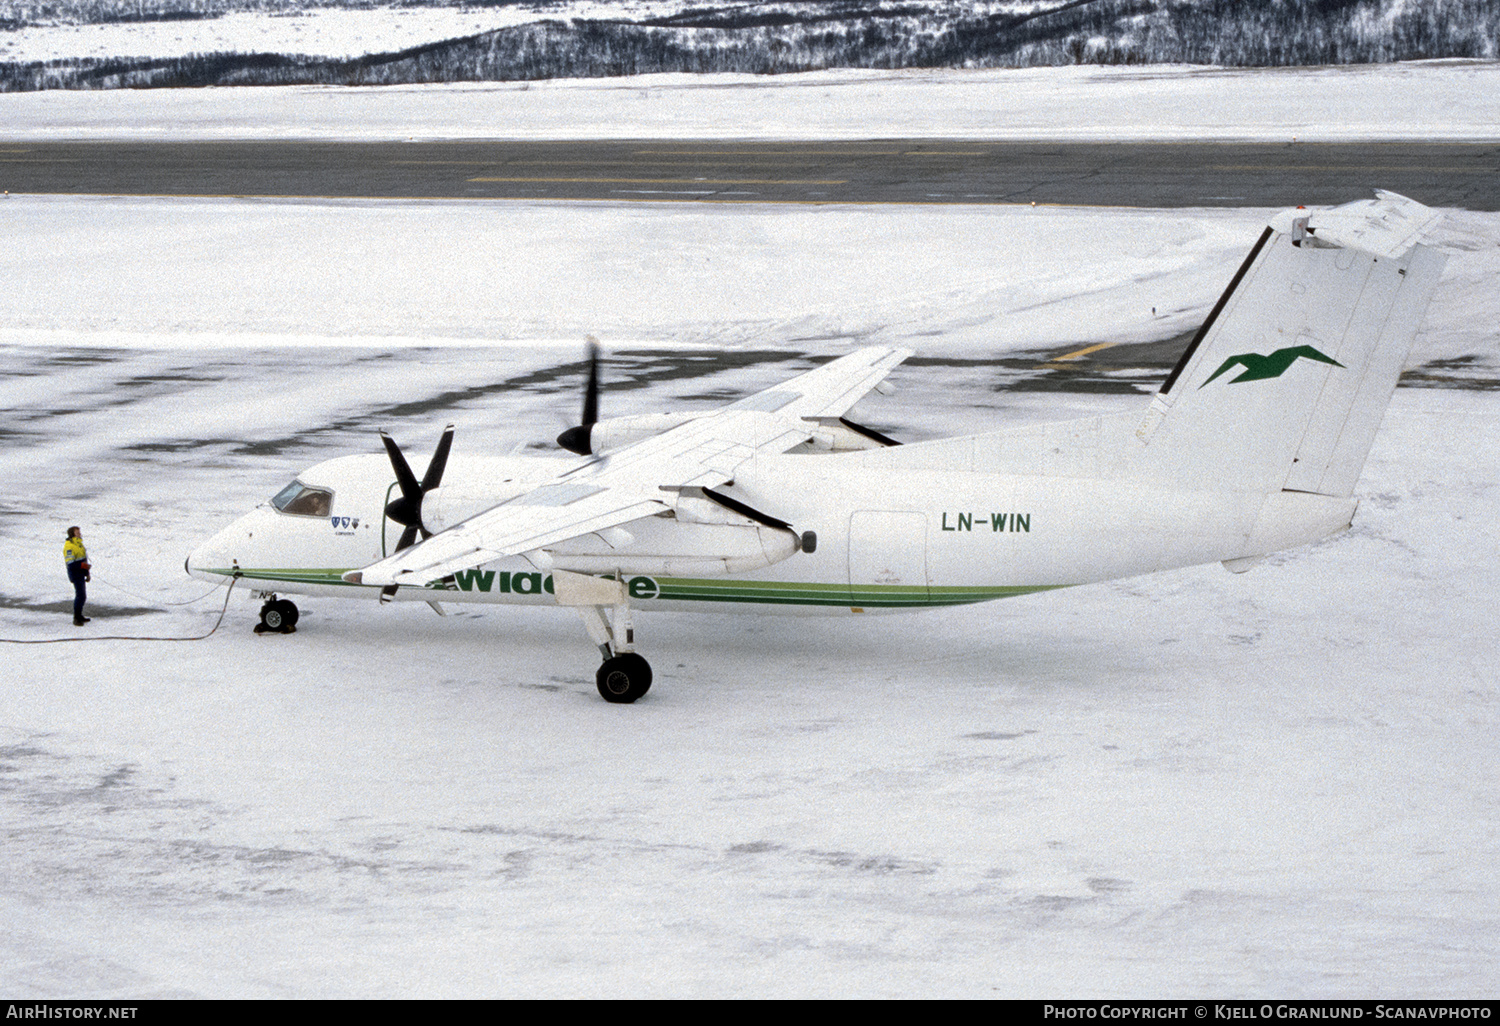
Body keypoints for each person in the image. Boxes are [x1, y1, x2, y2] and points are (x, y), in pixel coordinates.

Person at [64, 526, 90, 626]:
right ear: (72, 534)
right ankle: (76, 617)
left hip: (81, 572)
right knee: (80, 595)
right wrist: (82, 566)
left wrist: (87, 573)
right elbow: (71, 564)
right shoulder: (69, 546)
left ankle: (79, 616)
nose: (79, 533)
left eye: (79, 531)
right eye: (77, 532)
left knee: (82, 596)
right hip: (75, 573)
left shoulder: (79, 544)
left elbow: (84, 559)